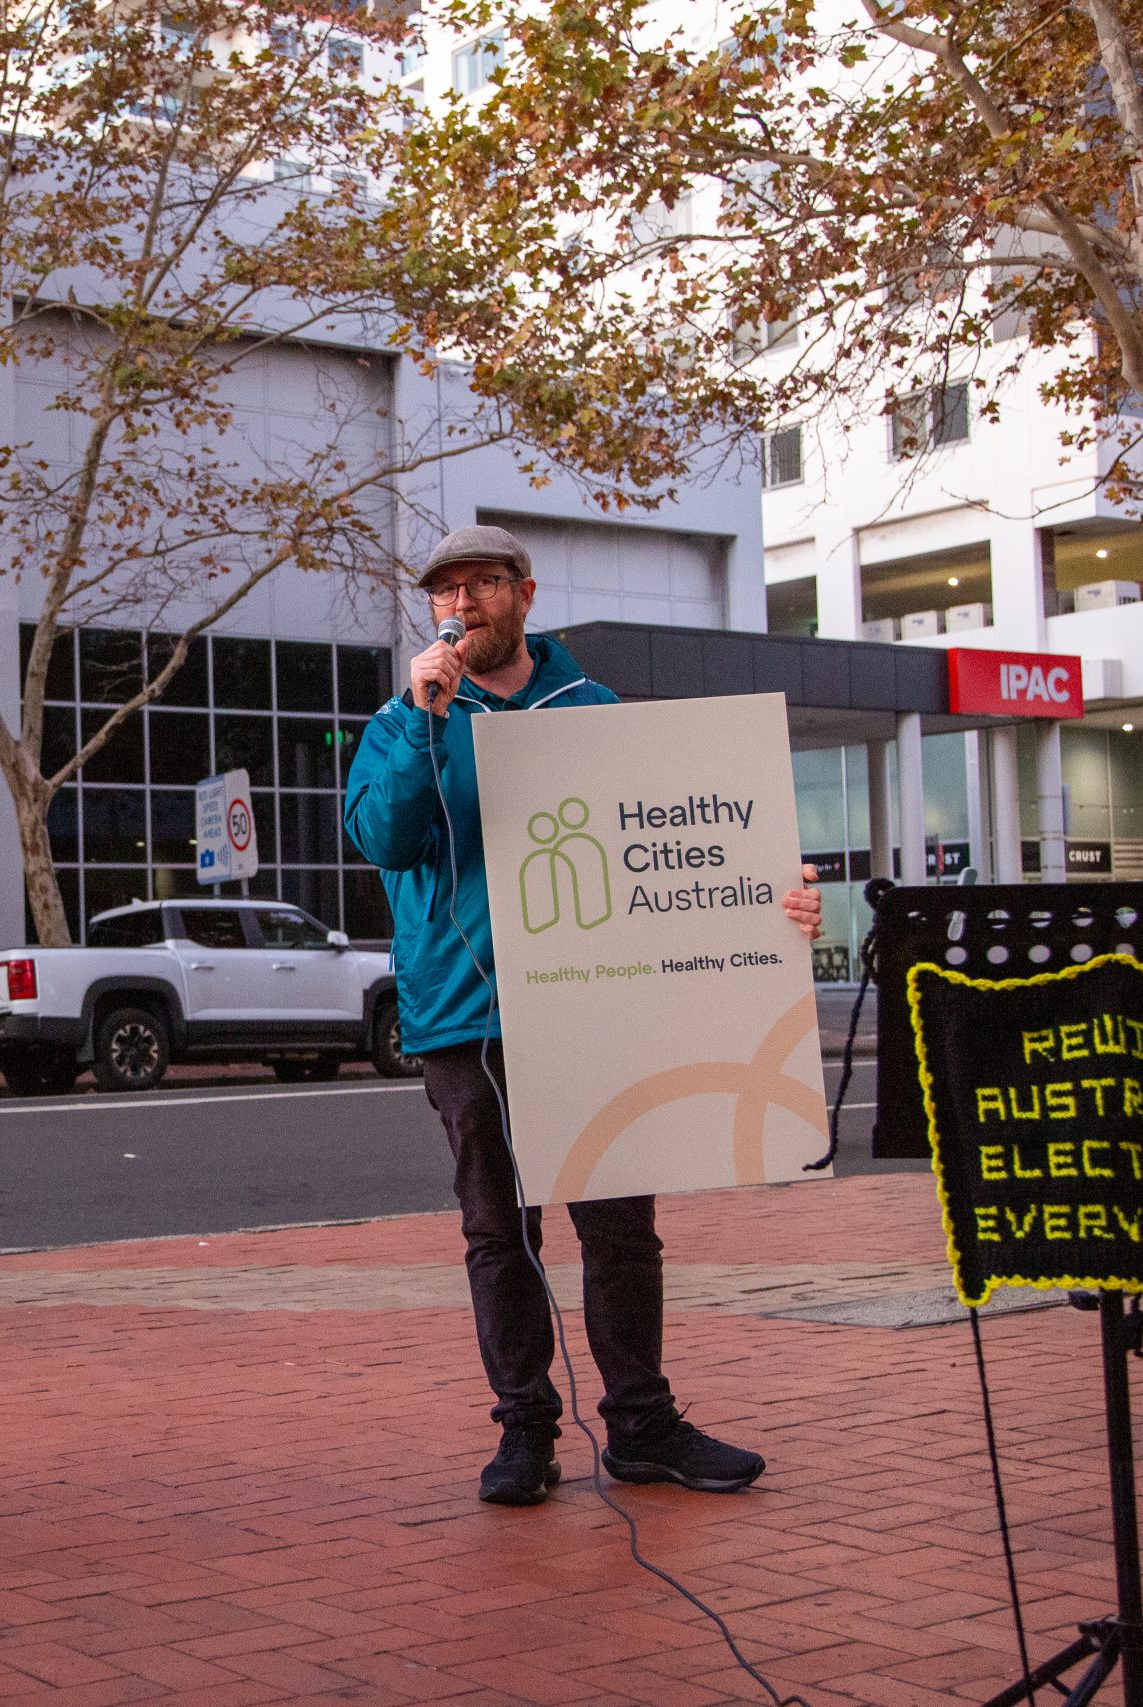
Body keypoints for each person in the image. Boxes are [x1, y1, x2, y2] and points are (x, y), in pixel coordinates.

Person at [341, 524, 825, 1508]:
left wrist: (769, 898)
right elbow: (385, 837)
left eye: (482, 584)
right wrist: (427, 717)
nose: (461, 604)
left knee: (620, 1229)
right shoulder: (403, 719)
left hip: (594, 1002)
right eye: (445, 590)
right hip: (466, 1015)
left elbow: (671, 851)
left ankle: (642, 1425)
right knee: (499, 1232)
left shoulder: (592, 709)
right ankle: (524, 1428)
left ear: (524, 594)